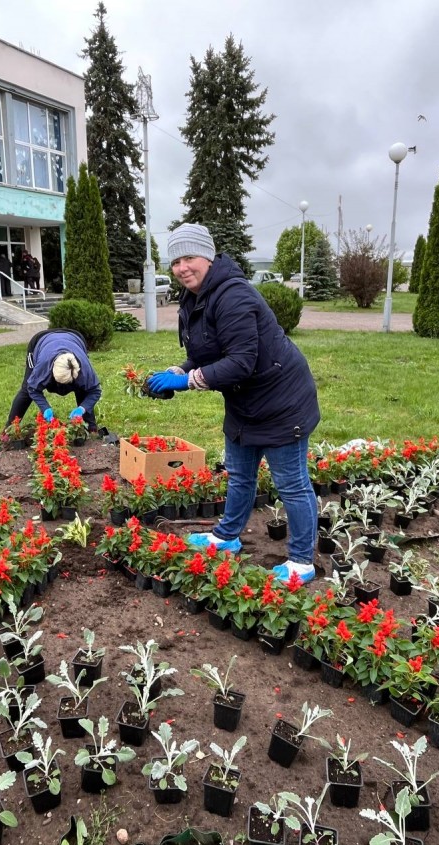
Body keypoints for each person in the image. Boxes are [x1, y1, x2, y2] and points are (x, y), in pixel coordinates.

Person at [147, 223, 320, 584]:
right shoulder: (195, 297)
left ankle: (302, 560)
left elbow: (241, 360)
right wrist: (176, 371)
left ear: (208, 257)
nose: (182, 268)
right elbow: (206, 352)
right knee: (240, 474)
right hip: (245, 400)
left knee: (291, 484)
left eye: (189, 257)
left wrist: (186, 382)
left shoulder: (233, 295)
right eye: (176, 261)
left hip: (281, 400)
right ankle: (226, 537)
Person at [5, 328, 101, 432]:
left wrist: (82, 408)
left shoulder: (84, 369)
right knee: (26, 389)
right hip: (41, 341)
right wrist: (45, 408)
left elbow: (95, 390)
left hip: (74, 338)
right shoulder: (43, 365)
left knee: (83, 387)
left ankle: (91, 429)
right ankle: (9, 430)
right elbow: (32, 388)